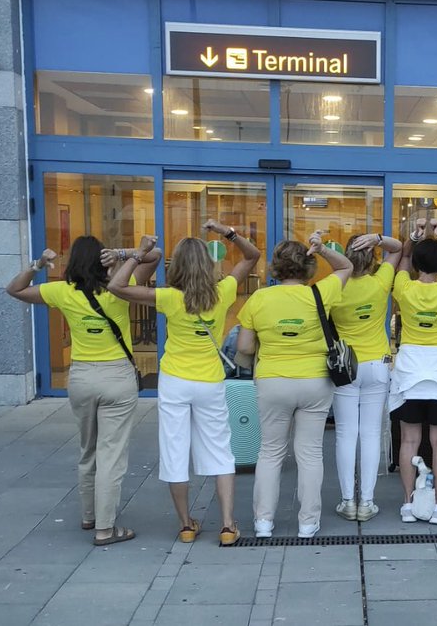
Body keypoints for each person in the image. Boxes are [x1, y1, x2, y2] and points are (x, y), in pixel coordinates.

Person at [109, 220, 260, 546]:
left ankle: (186, 525)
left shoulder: (168, 297)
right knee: (221, 452)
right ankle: (228, 526)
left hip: (176, 382)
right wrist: (225, 231)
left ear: (176, 267)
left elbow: (117, 287)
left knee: (175, 452)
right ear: (208, 264)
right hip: (210, 382)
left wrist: (137, 254)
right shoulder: (223, 293)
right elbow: (252, 256)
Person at [6, 236, 161, 545]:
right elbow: (154, 256)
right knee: (111, 455)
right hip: (117, 377)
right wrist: (123, 253)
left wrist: (38, 264)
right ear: (102, 260)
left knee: (87, 450)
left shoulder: (62, 292)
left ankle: (89, 516)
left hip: (80, 378)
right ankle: (106, 529)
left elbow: (15, 290)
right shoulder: (120, 286)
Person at [234, 236, 353, 539]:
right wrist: (324, 249)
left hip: (273, 381)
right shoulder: (320, 293)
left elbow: (245, 346)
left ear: (276, 267)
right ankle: (308, 523)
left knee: (270, 452)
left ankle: (263, 522)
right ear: (308, 267)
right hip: (315, 381)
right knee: (310, 453)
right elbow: (346, 266)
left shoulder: (259, 299)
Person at [389, 218, 437, 525]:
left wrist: (415, 237)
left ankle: (408, 504)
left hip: (409, 369)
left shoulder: (403, 288)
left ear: (417, 263)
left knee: (408, 441)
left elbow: (403, 258)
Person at [328, 230, 404, 522]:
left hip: (347, 366)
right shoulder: (380, 281)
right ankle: (367, 502)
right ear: (372, 256)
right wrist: (378, 238)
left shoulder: (336, 287)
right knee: (371, 433)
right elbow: (398, 249)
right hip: (377, 365)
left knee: (346, 434)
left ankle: (348, 500)